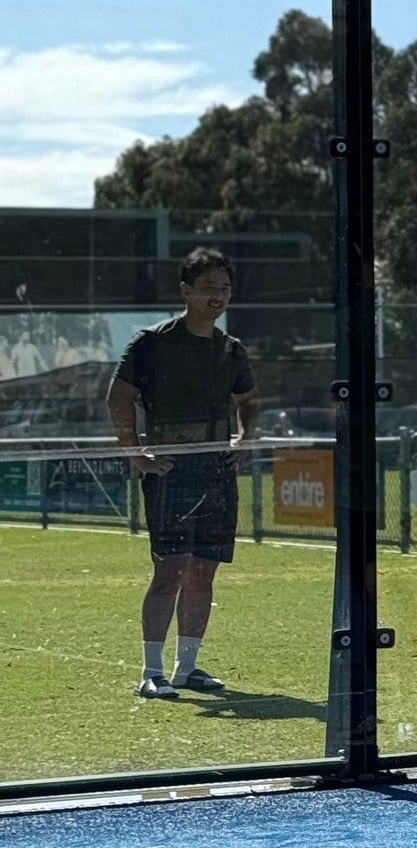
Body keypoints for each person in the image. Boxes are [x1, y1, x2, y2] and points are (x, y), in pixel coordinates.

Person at [107, 246, 261, 700]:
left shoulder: (231, 349)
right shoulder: (151, 343)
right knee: (170, 570)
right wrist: (135, 454)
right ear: (185, 291)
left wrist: (244, 440)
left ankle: (187, 669)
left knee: (203, 573)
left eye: (225, 288)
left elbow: (249, 402)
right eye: (209, 287)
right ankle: (151, 672)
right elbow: (119, 399)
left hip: (217, 472)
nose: (218, 296)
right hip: (171, 470)